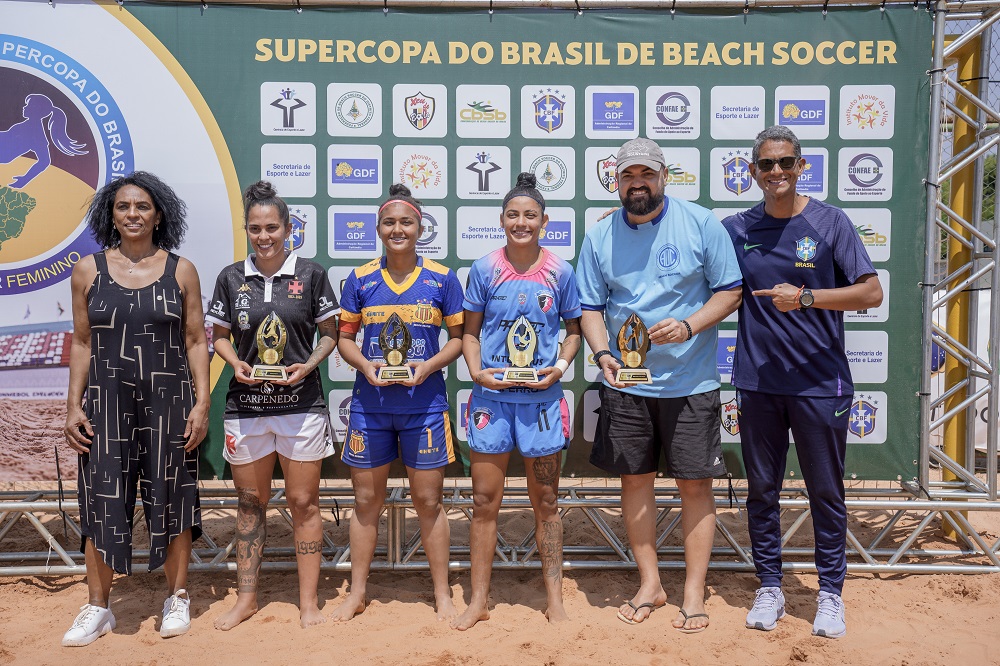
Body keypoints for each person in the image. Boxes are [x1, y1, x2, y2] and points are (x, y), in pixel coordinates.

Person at [576, 138, 742, 633]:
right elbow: (590, 307)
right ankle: (650, 582)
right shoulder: (600, 234)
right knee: (635, 481)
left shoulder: (701, 222)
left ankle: (693, 590)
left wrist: (690, 326)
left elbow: (731, 291)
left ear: (664, 176)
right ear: (616, 181)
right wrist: (603, 353)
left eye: (647, 174)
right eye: (629, 176)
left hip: (691, 382)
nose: (638, 184)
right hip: (628, 384)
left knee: (695, 485)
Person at [722, 126, 882, 639]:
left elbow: (871, 293)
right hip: (759, 382)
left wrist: (808, 298)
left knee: (826, 492)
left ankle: (830, 593)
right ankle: (770, 585)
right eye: (767, 164)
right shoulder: (736, 228)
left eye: (786, 162)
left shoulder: (830, 222)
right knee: (762, 492)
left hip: (820, 382)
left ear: (801, 166)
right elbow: (691, 261)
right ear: (753, 171)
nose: (777, 172)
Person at [62, 172, 211, 646]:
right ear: (111, 215)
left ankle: (177, 597)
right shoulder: (87, 271)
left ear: (158, 215)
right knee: (102, 499)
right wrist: (73, 406)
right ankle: (98, 607)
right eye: (123, 206)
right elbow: (82, 343)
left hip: (170, 401)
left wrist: (202, 402)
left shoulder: (181, 271)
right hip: (106, 402)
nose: (133, 214)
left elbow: (196, 340)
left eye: (142, 206)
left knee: (173, 496)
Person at [452, 172, 582, 630]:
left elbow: (573, 332)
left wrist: (560, 367)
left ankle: (555, 601)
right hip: (492, 402)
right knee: (484, 501)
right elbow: (470, 334)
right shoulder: (484, 269)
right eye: (513, 215)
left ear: (544, 221)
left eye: (530, 215)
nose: (521, 223)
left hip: (542, 404)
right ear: (502, 219)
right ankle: (478, 601)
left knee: (546, 501)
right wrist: (476, 371)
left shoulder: (561, 271)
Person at [207, 181, 339, 630]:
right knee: (250, 504)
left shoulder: (312, 274)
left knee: (303, 502)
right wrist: (235, 363)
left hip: (301, 406)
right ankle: (246, 600)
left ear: (288, 229)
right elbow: (219, 337)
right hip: (247, 407)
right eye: (255, 229)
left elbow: (330, 334)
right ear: (247, 230)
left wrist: (308, 365)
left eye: (272, 228)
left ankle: (308, 603)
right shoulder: (230, 277)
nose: (263, 237)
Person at [330, 183, 464, 622]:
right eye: (389, 222)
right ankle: (357, 592)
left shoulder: (442, 278)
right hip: (370, 406)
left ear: (420, 227)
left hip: (424, 405)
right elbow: (344, 339)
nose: (398, 229)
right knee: (365, 501)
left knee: (428, 502)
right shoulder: (360, 278)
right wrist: (365, 366)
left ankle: (442, 593)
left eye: (406, 222)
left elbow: (459, 339)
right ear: (378, 229)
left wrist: (428, 366)